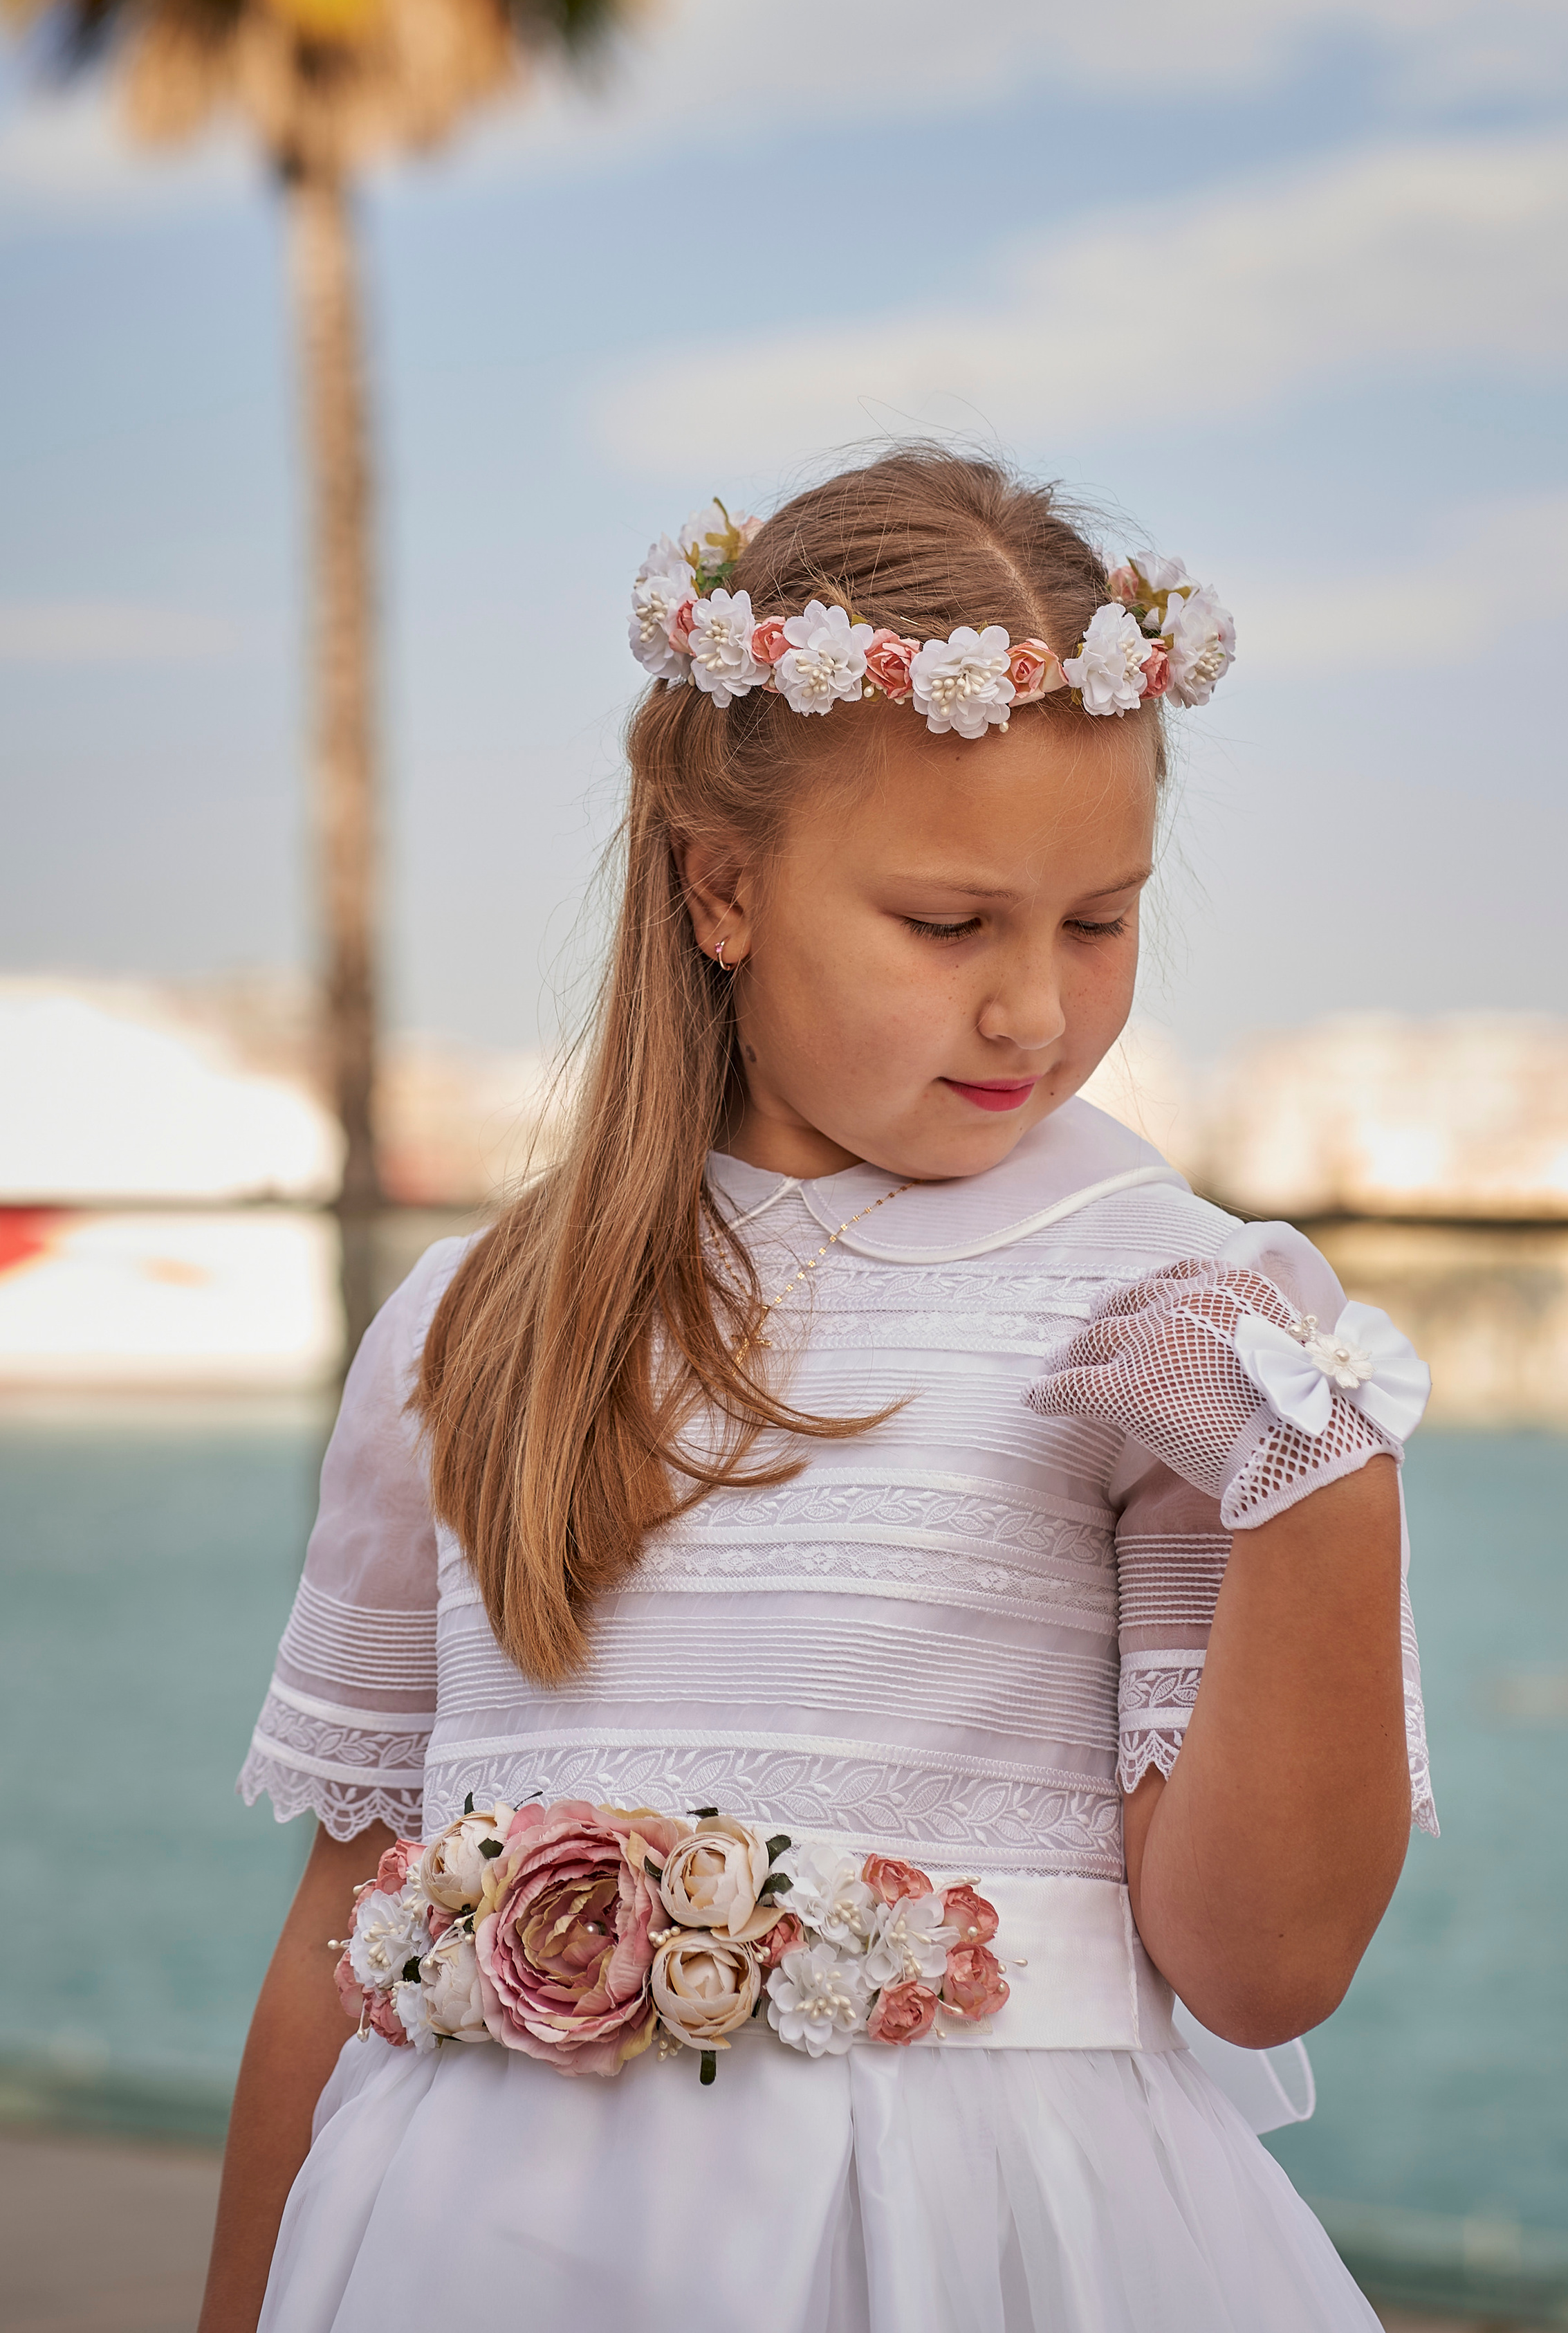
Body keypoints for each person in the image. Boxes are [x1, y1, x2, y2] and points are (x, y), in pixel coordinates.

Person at [202, 448, 1436, 2333]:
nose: (1036, 1007)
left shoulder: (1191, 1315)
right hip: (475, 2263)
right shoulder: (475, 1327)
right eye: (951, 929)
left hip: (978, 2264)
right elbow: (334, 1939)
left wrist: (1323, 1491)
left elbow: (1262, 1969)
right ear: (722, 889)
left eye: (1098, 921)